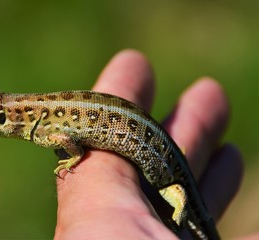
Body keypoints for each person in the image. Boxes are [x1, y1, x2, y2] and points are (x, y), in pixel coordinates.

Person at [53, 50, 255, 239]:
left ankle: (177, 227)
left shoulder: (174, 189)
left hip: (171, 181)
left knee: (181, 201)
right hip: (162, 166)